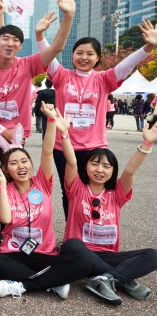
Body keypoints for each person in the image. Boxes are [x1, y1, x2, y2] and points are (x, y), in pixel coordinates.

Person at [0, 0, 75, 248]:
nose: (10, 43)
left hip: (17, 135)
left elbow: (58, 47)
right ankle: (3, 217)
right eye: (5, 38)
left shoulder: (28, 65)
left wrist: (68, 17)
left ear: (20, 46)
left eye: (15, 40)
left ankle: (8, 230)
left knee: (19, 179)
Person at [36, 19, 157, 217]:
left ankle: (91, 233)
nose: (84, 57)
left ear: (98, 58)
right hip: (63, 147)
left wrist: (148, 47)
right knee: (69, 192)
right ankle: (72, 236)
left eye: (90, 54)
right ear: (72, 55)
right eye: (79, 53)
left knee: (94, 191)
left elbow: (126, 65)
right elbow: (49, 58)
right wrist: (40, 37)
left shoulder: (104, 79)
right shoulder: (62, 76)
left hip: (94, 148)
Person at [0, 104, 91, 299]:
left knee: (83, 263)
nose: (21, 166)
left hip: (44, 254)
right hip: (13, 252)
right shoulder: (4, 190)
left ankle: (21, 286)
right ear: (6, 170)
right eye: (14, 163)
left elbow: (48, 151)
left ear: (31, 164)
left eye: (24, 161)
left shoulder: (42, 182)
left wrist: (51, 121)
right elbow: (5, 219)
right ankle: (53, 284)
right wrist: (0, 184)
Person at [59, 124, 157, 304]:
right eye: (94, 164)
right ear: (86, 166)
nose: (100, 170)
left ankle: (105, 278)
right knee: (71, 244)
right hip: (78, 255)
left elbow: (130, 171)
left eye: (106, 166)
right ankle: (122, 278)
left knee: (152, 255)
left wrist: (146, 144)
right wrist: (64, 134)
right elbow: (71, 161)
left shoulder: (117, 193)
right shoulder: (77, 188)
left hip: (107, 256)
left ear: (112, 171)